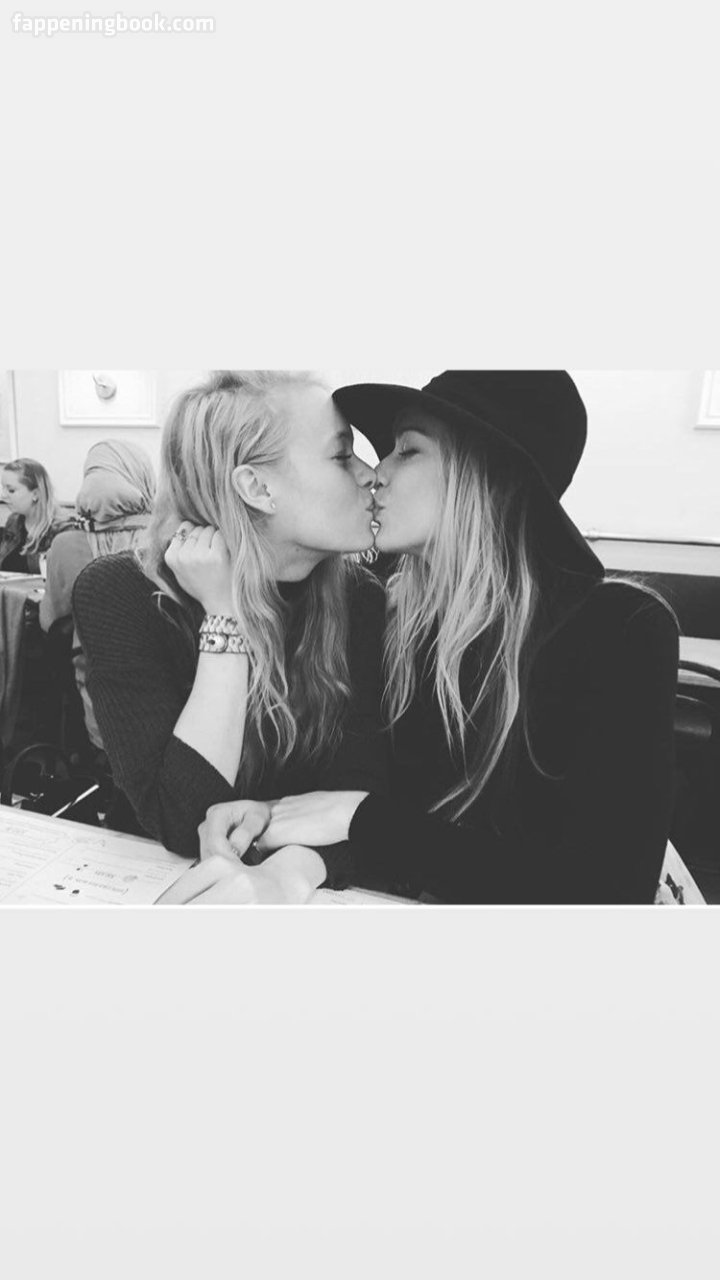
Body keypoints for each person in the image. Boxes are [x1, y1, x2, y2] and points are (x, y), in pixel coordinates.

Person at [195, 371, 679, 905]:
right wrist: (278, 817)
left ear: (483, 474)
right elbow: (383, 812)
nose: (376, 473)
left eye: (407, 451)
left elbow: (607, 892)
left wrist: (357, 816)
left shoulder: (620, 628)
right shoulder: (401, 619)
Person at [72, 370, 386, 891]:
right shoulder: (122, 593)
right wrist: (224, 615)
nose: (370, 474)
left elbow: (365, 796)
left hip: (304, 891)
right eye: (341, 455)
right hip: (157, 888)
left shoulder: (361, 599)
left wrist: (280, 841)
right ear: (257, 488)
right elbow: (183, 820)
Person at [38, 439, 157, 758]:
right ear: (144, 477)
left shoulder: (65, 544)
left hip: (99, 714)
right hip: (177, 714)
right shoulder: (170, 540)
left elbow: (51, 625)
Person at [0, 458, 70, 573]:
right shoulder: (13, 521)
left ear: (35, 494)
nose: (3, 496)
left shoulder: (63, 529)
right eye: (3, 489)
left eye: (11, 490)